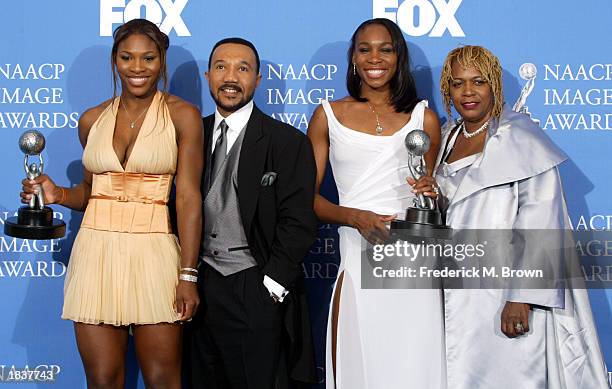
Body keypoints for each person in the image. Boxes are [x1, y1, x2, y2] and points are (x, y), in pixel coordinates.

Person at [20, 19, 203, 388]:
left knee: (162, 378)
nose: (137, 68)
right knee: (103, 379)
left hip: (154, 252)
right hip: (95, 253)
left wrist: (187, 275)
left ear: (161, 61)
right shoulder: (92, 120)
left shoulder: (183, 116)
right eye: (127, 58)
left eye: (148, 58)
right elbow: (90, 192)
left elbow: (187, 198)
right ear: (114, 61)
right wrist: (57, 194)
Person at [416, 45, 608, 388]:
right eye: (458, 84)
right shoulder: (446, 137)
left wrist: (522, 297)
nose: (468, 92)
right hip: (455, 293)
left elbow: (541, 220)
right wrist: (433, 195)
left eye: (479, 81)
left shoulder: (521, 139)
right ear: (447, 89)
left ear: (495, 86)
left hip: (504, 293)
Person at [307, 19, 445, 389]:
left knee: (415, 364)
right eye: (365, 49)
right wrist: (352, 217)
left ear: (399, 57)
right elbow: (305, 199)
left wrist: (434, 193)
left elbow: (432, 202)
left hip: (415, 262)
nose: (375, 58)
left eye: (385, 49)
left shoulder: (424, 119)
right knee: (361, 362)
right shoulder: (328, 116)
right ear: (353, 57)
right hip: (357, 253)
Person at [187, 37, 318, 389]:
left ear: (258, 79)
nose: (231, 77)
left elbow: (300, 221)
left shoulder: (286, 142)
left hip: (254, 283)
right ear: (207, 75)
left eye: (242, 68)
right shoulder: (188, 136)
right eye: (221, 67)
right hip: (195, 287)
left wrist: (270, 287)